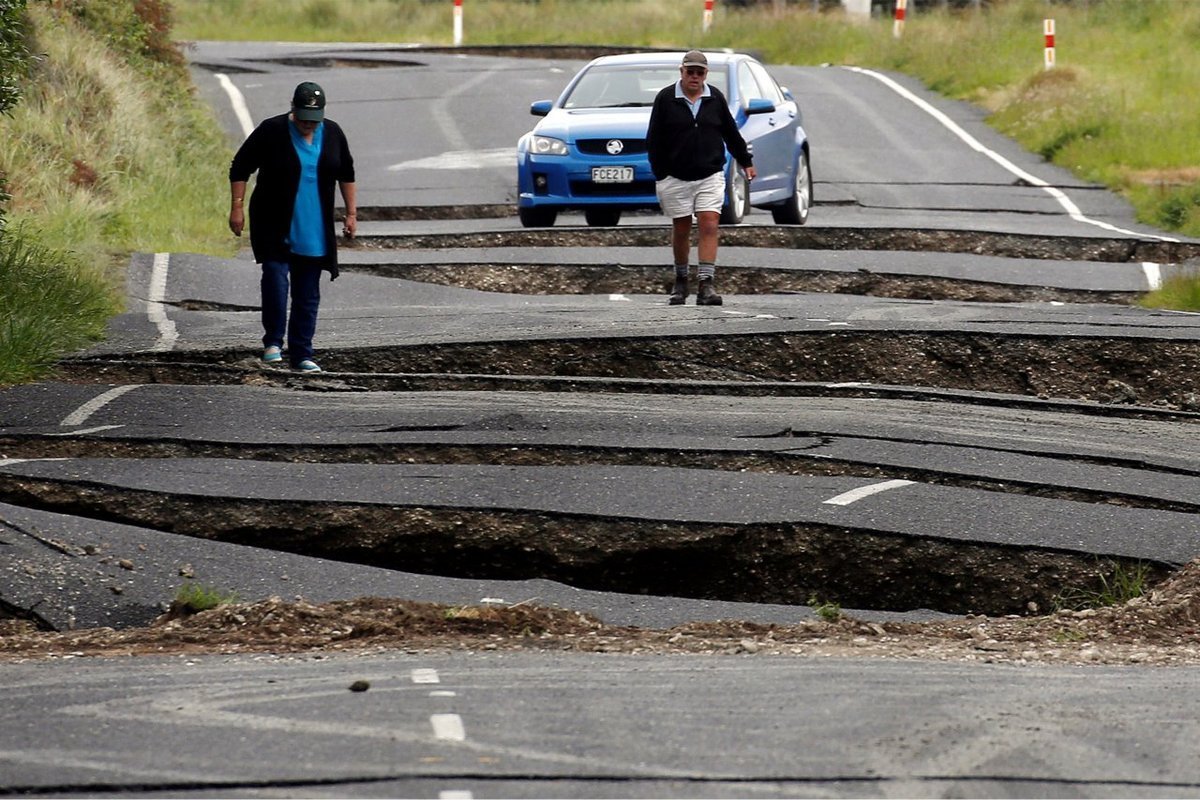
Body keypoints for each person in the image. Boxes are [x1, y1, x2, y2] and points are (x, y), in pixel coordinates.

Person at [228, 81, 356, 373]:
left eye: (315, 120)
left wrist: (351, 214)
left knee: (307, 289)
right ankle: (273, 342)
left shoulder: (333, 133)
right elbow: (240, 167)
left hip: (314, 222)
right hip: (273, 219)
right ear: (293, 110)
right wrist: (236, 207)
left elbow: (346, 173)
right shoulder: (271, 131)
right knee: (275, 276)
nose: (309, 125)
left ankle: (302, 353)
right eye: (304, 119)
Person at [646, 50, 756, 306]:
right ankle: (681, 280)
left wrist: (746, 161)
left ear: (706, 74)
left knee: (709, 223)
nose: (694, 77)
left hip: (709, 173)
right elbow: (654, 139)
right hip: (674, 176)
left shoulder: (714, 98)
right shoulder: (665, 98)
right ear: (681, 72)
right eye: (690, 71)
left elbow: (730, 132)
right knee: (682, 228)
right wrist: (660, 172)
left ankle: (706, 284)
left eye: (700, 72)